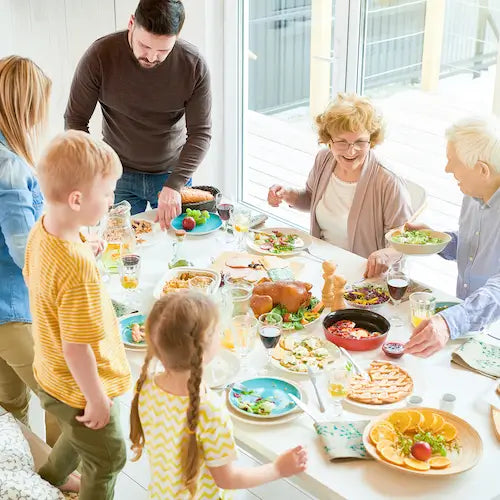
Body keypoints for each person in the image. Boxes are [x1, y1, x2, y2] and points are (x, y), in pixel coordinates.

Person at [23, 130, 132, 498]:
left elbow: (39, 278)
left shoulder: (43, 232)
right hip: (80, 386)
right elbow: (76, 348)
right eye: (107, 193)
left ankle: (48, 478)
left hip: (50, 374)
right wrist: (97, 397)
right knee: (108, 456)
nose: (112, 199)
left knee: (80, 434)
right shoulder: (76, 267)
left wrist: (88, 251)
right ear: (77, 199)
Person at [130, 291, 308, 499]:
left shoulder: (146, 385)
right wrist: (278, 468)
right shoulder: (209, 411)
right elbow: (227, 479)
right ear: (202, 347)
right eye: (215, 331)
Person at [64, 0, 211, 228]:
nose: (152, 57)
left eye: (163, 50)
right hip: (117, 173)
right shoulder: (100, 56)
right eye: (144, 46)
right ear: (131, 23)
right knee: (121, 249)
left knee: (176, 247)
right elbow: (75, 120)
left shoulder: (193, 65)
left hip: (172, 174)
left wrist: (175, 184)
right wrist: (93, 171)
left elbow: (201, 133)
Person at [267, 93, 412, 278]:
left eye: (360, 141)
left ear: (372, 140)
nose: (351, 151)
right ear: (329, 140)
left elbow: (404, 242)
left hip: (363, 277)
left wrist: (387, 254)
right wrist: (288, 194)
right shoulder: (324, 159)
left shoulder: (388, 181)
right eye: (342, 142)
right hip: (321, 264)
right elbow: (311, 198)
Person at [0, 55, 60, 445]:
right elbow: (25, 251)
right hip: (15, 311)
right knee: (66, 402)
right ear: (25, 107)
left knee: (10, 413)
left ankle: (24, 484)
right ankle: (68, 488)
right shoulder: (10, 167)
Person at [405, 116, 500, 358]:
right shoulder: (473, 195)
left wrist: (449, 323)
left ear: (482, 170)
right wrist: (438, 240)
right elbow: (477, 245)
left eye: (453, 162)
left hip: (491, 335)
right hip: (462, 324)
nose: (447, 169)